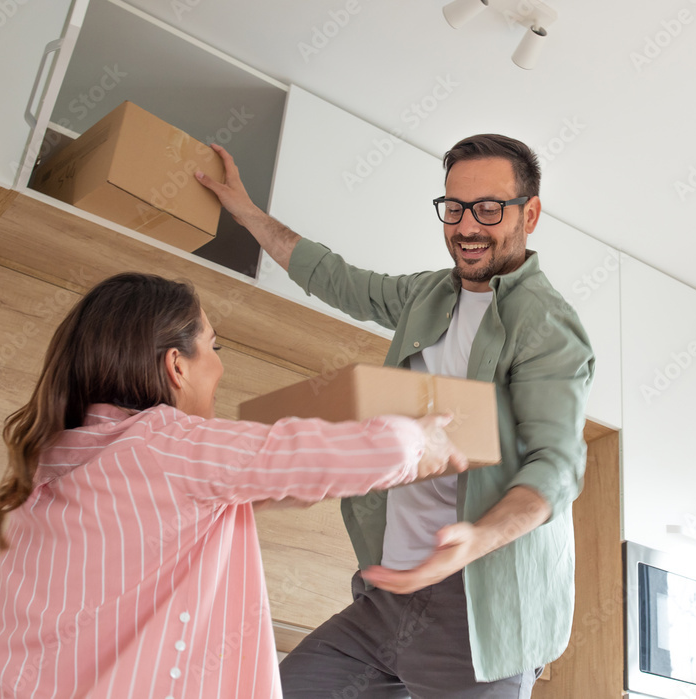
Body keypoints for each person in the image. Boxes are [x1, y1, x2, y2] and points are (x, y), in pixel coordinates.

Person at [198, 133, 595, 698]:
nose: (466, 227)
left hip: (475, 613)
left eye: (488, 209)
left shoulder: (547, 326)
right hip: (385, 599)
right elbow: (333, 277)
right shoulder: (427, 295)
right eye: (453, 208)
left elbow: (555, 468)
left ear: (528, 213)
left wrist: (477, 537)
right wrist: (246, 213)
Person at [0, 272, 465, 698]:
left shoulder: (47, 472)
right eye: (213, 346)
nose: (220, 364)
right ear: (176, 366)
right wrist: (420, 439)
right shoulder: (167, 444)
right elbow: (306, 455)